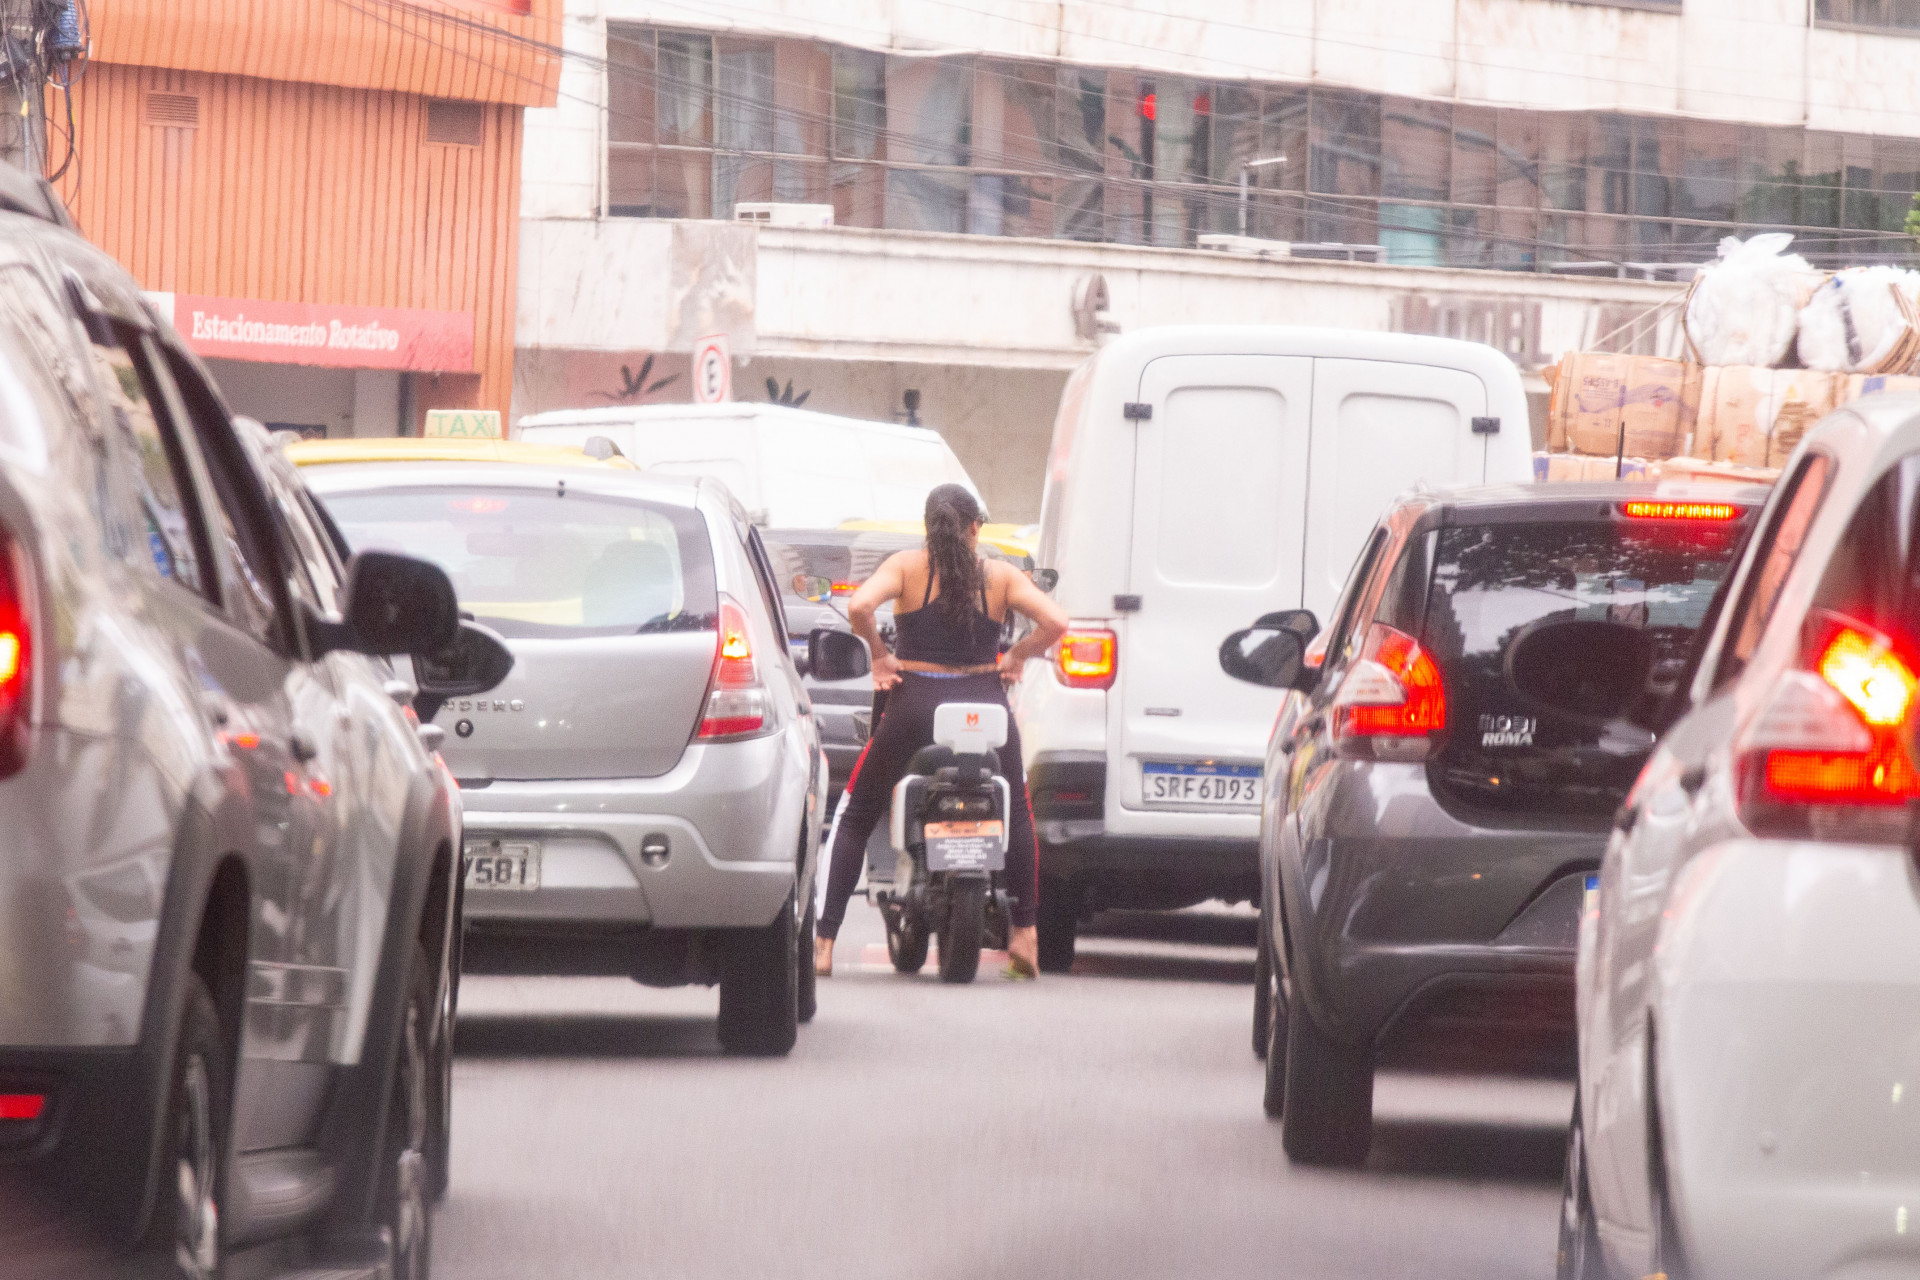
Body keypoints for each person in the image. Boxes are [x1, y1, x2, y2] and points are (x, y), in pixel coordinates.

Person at [813, 484, 1067, 978]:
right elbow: (1056, 621)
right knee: (1016, 805)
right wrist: (1016, 656)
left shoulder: (906, 567)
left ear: (928, 527)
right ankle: (1026, 937)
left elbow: (861, 606)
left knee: (857, 810)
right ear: (976, 528)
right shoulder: (1000, 576)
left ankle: (823, 943)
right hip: (984, 703)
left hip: (915, 705)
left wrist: (882, 657)